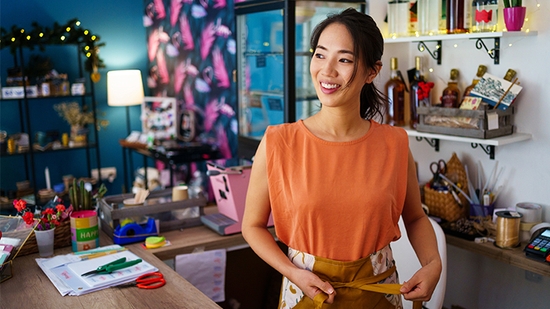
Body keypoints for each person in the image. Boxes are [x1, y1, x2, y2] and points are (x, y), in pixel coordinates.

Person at [242, 8, 442, 309]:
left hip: (377, 297)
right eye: (320, 55)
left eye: (344, 59)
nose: (327, 70)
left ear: (372, 71)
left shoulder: (395, 143)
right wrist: (292, 272)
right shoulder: (277, 142)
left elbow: (415, 217)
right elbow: (253, 226)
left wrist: (432, 264)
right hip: (307, 296)